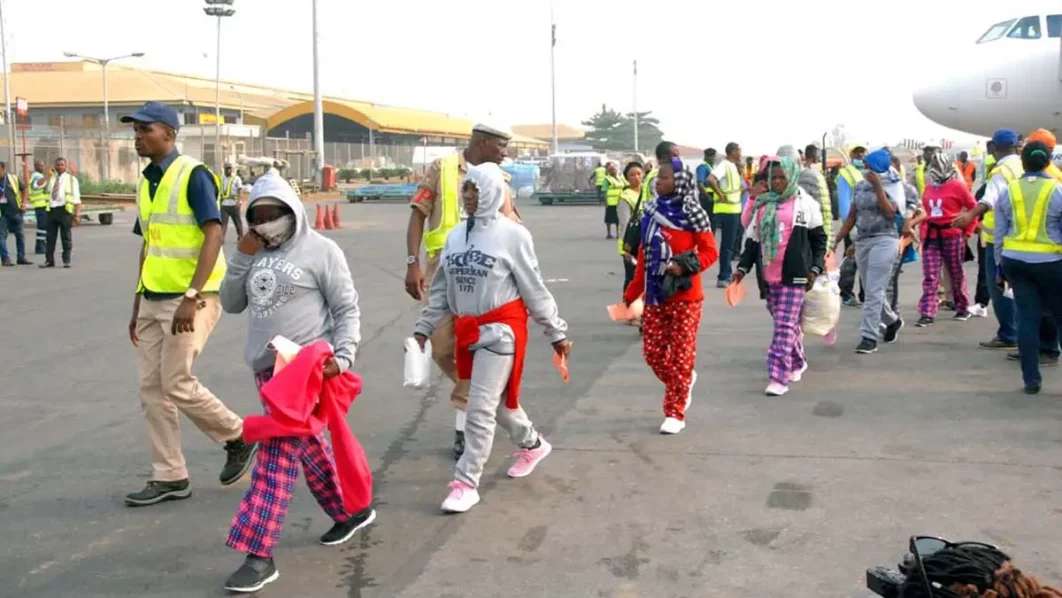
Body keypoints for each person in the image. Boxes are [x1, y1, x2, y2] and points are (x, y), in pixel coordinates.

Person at [219, 173, 375, 593]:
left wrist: (344, 356)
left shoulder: (321, 251)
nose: (265, 223)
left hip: (305, 370)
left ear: (292, 212)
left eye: (273, 214)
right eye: (257, 216)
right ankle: (350, 511)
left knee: (276, 457)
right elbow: (231, 303)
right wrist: (241, 256)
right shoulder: (252, 251)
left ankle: (258, 553)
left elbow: (346, 308)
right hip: (267, 370)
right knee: (309, 447)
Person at [413, 162, 571, 513]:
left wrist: (555, 331)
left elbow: (533, 288)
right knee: (494, 404)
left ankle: (465, 483)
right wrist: (424, 327)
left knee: (479, 407)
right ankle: (533, 444)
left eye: (476, 189)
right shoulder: (456, 236)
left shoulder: (513, 236)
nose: (469, 196)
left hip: (501, 332)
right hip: (467, 330)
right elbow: (440, 289)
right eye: (466, 189)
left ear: (493, 192)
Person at [121, 101, 255, 507]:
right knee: (151, 389)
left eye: (145, 130)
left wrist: (191, 296)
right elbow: (150, 244)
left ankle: (238, 435)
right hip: (153, 298)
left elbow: (214, 233)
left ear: (169, 133)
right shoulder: (147, 181)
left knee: (176, 381)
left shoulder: (193, 175)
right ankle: (170, 475)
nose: (138, 137)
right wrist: (137, 302)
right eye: (135, 130)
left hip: (191, 299)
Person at [404, 124, 518, 460]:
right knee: (441, 348)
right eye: (500, 146)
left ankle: (465, 423)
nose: (505, 153)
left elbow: (512, 225)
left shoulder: (501, 179)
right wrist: (412, 263)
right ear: (482, 143)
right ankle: (485, 394)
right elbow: (418, 215)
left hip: (484, 278)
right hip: (442, 273)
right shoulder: (442, 169)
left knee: (474, 349)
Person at [624, 158, 718, 434]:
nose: (659, 182)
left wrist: (685, 266)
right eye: (659, 177)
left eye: (665, 177)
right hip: (655, 295)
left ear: (679, 181)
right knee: (653, 353)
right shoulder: (651, 211)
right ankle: (683, 381)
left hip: (685, 296)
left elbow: (710, 252)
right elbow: (644, 254)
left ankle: (675, 412)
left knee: (680, 356)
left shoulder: (694, 214)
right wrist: (633, 291)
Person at [735, 158, 827, 396]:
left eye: (781, 177)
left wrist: (816, 268)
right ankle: (797, 361)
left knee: (783, 327)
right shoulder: (763, 205)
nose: (776, 182)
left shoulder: (805, 203)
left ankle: (778, 377)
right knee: (786, 323)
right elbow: (753, 241)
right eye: (773, 178)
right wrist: (742, 269)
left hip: (795, 274)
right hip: (768, 275)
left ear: (792, 177)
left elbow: (819, 240)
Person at [995, 141, 1062, 395]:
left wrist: (999, 267)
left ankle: (1031, 380)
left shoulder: (1009, 191)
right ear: (1048, 162)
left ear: (1022, 163)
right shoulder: (1057, 190)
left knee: (1026, 319)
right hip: (1051, 263)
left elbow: (1000, 233)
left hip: (1015, 262)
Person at [953, 129, 1023, 350]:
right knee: (1018, 290)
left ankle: (1009, 334)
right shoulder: (1022, 165)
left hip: (997, 238)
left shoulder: (1001, 170)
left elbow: (989, 199)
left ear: (993, 147)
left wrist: (970, 216)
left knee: (999, 288)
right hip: (1020, 235)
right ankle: (1018, 333)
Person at [833, 148, 905, 354]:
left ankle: (869, 337)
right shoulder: (860, 186)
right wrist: (838, 239)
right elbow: (852, 215)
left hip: (885, 240)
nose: (864, 169)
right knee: (871, 288)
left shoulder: (893, 185)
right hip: (863, 240)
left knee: (873, 291)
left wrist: (878, 186)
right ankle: (892, 321)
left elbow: (890, 212)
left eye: (868, 166)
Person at [914, 151, 977, 326]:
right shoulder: (928, 187)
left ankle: (962, 307)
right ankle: (927, 312)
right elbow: (926, 213)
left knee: (956, 273)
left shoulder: (958, 186)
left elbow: (974, 209)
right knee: (930, 275)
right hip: (931, 237)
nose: (937, 168)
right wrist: (922, 236)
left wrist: (968, 232)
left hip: (952, 235)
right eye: (934, 165)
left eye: (939, 165)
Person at [707, 142, 744, 287]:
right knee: (727, 245)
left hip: (734, 209)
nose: (741, 153)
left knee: (730, 244)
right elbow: (710, 179)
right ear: (732, 151)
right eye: (739, 150)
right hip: (727, 210)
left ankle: (726, 274)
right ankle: (724, 276)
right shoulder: (724, 165)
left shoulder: (733, 166)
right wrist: (720, 194)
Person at [836, 146, 866, 306]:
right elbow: (843, 202)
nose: (860, 155)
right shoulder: (846, 174)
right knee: (851, 259)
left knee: (866, 260)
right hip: (852, 224)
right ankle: (846, 294)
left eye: (863, 152)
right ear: (851, 155)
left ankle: (865, 294)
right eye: (857, 152)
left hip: (868, 223)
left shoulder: (868, 172)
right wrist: (849, 226)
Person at [40, 158, 81, 269]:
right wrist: (46, 175)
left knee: (66, 237)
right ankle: (49, 261)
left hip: (65, 211)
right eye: (57, 165)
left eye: (62, 165)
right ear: (55, 166)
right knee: (50, 238)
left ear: (65, 166)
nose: (59, 167)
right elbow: (37, 185)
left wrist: (77, 215)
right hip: (51, 210)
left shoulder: (71, 179)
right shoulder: (51, 178)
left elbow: (77, 199)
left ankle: (66, 260)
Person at [618, 161, 645, 293]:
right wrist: (626, 250)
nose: (636, 177)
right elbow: (625, 223)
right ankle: (627, 303)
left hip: (646, 242)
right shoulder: (625, 197)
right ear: (627, 178)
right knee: (632, 278)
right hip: (631, 243)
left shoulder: (648, 192)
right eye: (632, 175)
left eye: (639, 174)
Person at [0, 161, 30, 267]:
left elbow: (24, 189)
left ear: (3, 168)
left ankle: (21, 258)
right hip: (2, 214)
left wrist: (24, 203)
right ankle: (5, 259)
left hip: (16, 212)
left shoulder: (13, 178)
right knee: (1, 236)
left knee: (20, 235)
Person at [28, 160, 50, 255]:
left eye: (43, 165)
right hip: (40, 205)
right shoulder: (37, 176)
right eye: (40, 166)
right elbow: (36, 185)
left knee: (42, 227)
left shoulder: (38, 175)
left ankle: (40, 246)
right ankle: (40, 247)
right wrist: (47, 176)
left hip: (42, 204)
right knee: (42, 227)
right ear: (36, 166)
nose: (42, 167)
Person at [219, 163, 244, 240]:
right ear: (224, 169)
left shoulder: (236, 178)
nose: (228, 170)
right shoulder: (222, 178)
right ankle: (221, 238)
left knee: (237, 222)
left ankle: (240, 236)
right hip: (224, 205)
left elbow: (240, 190)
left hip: (234, 204)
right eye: (227, 168)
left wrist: (239, 201)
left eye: (230, 168)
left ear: (232, 169)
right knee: (223, 223)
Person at [603, 162, 624, 239]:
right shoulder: (607, 179)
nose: (613, 171)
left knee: (618, 219)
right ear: (609, 171)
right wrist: (606, 202)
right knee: (609, 219)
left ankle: (618, 234)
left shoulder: (620, 178)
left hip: (619, 201)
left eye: (614, 169)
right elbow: (605, 191)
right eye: (611, 170)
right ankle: (609, 233)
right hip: (611, 202)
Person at [695, 148, 716, 213]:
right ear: (707, 157)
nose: (714, 159)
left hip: (712, 194)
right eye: (713, 157)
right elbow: (700, 183)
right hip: (706, 195)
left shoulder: (710, 167)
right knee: (709, 215)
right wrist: (707, 196)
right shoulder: (703, 167)